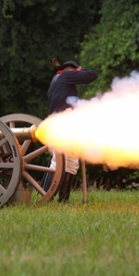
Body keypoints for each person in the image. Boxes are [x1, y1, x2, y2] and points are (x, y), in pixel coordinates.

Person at [43, 58, 98, 202]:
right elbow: (92, 75)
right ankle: (46, 197)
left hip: (60, 122)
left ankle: (62, 199)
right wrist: (81, 70)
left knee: (70, 163)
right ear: (71, 70)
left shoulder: (56, 82)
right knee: (59, 162)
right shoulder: (66, 76)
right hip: (63, 122)